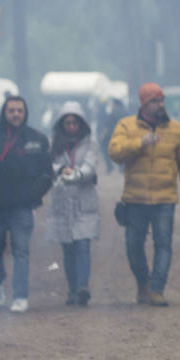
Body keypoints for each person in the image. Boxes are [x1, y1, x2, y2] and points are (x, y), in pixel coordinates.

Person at [108, 83, 180, 306]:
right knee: (133, 246)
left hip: (165, 199)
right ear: (143, 104)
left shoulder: (176, 130)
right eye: (154, 101)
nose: (160, 105)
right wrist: (140, 143)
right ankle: (143, 283)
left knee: (163, 244)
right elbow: (114, 152)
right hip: (134, 199)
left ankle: (157, 290)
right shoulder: (127, 126)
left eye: (161, 100)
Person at [0, 96, 53, 313]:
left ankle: (21, 296)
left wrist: (31, 196)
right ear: (4, 112)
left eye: (20, 111)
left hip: (21, 207)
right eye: (12, 110)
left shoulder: (37, 140)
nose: (15, 114)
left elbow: (46, 174)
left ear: (25, 113)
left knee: (21, 250)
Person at [46, 101, 101, 306]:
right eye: (67, 123)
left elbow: (90, 165)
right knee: (68, 247)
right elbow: (51, 164)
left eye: (75, 123)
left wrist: (77, 174)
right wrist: (61, 170)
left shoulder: (90, 143)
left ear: (81, 124)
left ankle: (82, 286)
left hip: (84, 198)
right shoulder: (55, 143)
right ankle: (71, 289)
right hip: (62, 199)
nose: (71, 127)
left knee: (83, 243)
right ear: (61, 125)